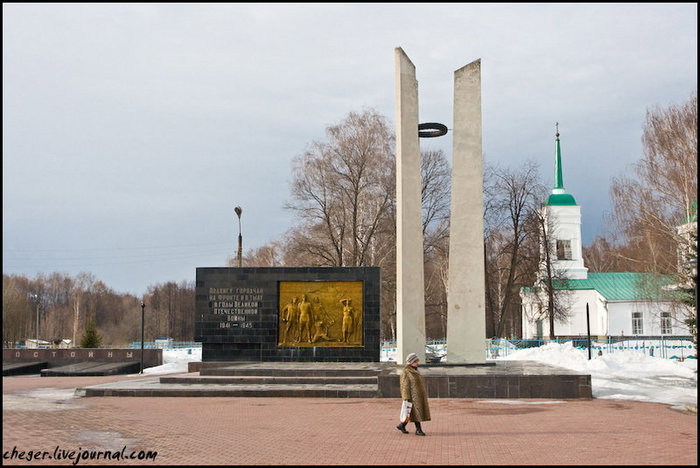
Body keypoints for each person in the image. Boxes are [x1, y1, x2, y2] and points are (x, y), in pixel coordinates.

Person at [396, 352, 430, 436]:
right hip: (412, 396)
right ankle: (418, 430)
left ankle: (402, 425)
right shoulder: (406, 372)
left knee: (411, 413)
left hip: (418, 395)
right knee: (416, 412)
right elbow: (404, 385)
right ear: (411, 362)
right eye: (416, 361)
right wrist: (406, 397)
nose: (417, 363)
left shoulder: (414, 370)